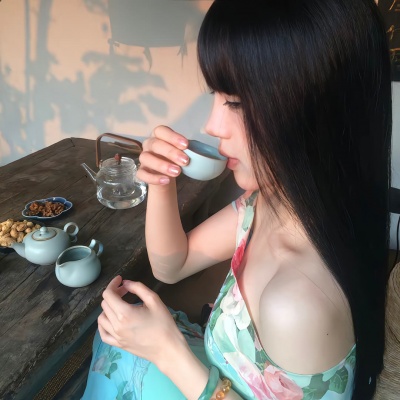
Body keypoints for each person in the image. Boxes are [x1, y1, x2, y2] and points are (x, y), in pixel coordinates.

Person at [81, 0, 392, 399]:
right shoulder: (266, 205)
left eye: (237, 102)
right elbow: (172, 265)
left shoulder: (298, 303)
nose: (212, 125)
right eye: (217, 94)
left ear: (318, 111)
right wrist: (161, 183)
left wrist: (168, 351)